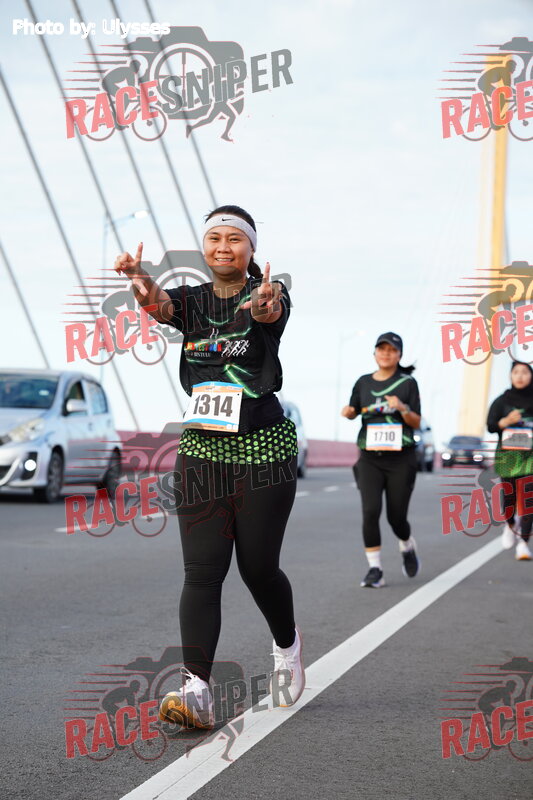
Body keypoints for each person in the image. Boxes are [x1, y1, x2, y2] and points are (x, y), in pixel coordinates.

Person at [114, 204, 305, 729]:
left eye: (234, 239)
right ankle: (195, 689)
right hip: (202, 448)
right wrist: (137, 276)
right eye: (215, 238)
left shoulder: (270, 292)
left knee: (258, 569)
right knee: (202, 572)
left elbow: (269, 312)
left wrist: (265, 303)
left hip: (263, 448)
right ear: (205, 247)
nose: (224, 247)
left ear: (251, 248)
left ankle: (287, 646)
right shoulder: (191, 300)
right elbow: (157, 306)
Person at [341, 332, 422, 587]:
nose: (386, 354)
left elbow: (416, 422)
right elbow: (353, 410)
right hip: (370, 458)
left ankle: (407, 544)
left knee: (396, 518)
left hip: (401, 459)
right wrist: (348, 412)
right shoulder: (363, 382)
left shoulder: (407, 383)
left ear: (399, 355)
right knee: (370, 511)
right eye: (382, 349)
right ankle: (375, 569)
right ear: (375, 353)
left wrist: (402, 407)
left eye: (392, 350)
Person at [487, 360, 533, 560]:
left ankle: (523, 544)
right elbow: (490, 425)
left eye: (524, 372)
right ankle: (510, 524)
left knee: (529, 501)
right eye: (516, 372)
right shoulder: (501, 401)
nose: (520, 376)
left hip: (530, 458)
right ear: (510, 376)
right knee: (509, 501)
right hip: (508, 459)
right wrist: (505, 421)